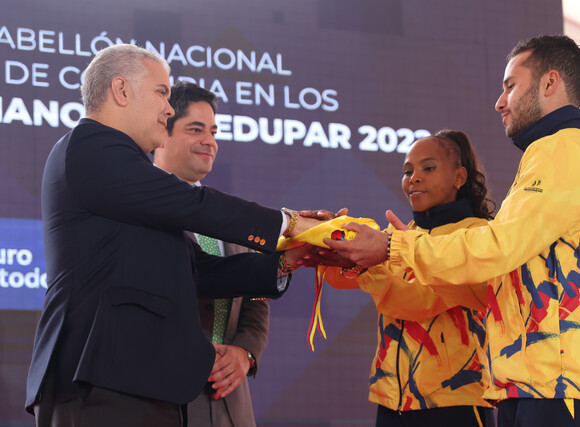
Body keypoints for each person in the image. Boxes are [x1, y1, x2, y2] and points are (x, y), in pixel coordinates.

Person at [325, 35, 580, 426]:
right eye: (407, 171)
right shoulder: (551, 153)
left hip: (563, 388)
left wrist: (394, 248)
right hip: (536, 387)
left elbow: (496, 249)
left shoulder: (563, 149)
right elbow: (489, 286)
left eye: (510, 86)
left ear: (550, 83)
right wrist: (361, 251)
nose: (500, 102)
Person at [26, 44, 323, 427]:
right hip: (99, 379)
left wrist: (286, 259)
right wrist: (291, 224)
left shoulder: (127, 176)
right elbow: (195, 205)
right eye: (161, 92)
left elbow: (200, 272)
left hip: (139, 381)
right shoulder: (91, 145)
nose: (168, 109)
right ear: (121, 90)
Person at [323, 130, 496, 426]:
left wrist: (370, 262)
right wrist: (332, 242)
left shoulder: (476, 236)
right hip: (391, 403)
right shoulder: (401, 235)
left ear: (459, 177)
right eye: (407, 171)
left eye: (428, 168)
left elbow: (417, 303)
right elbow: (340, 280)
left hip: (455, 405)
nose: (413, 178)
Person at [153, 81, 274, 427]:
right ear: (164, 131)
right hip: (161, 399)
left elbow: (256, 298)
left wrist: (244, 353)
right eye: (195, 129)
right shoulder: (137, 207)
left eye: (213, 131)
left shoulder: (229, 215)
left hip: (229, 402)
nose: (210, 141)